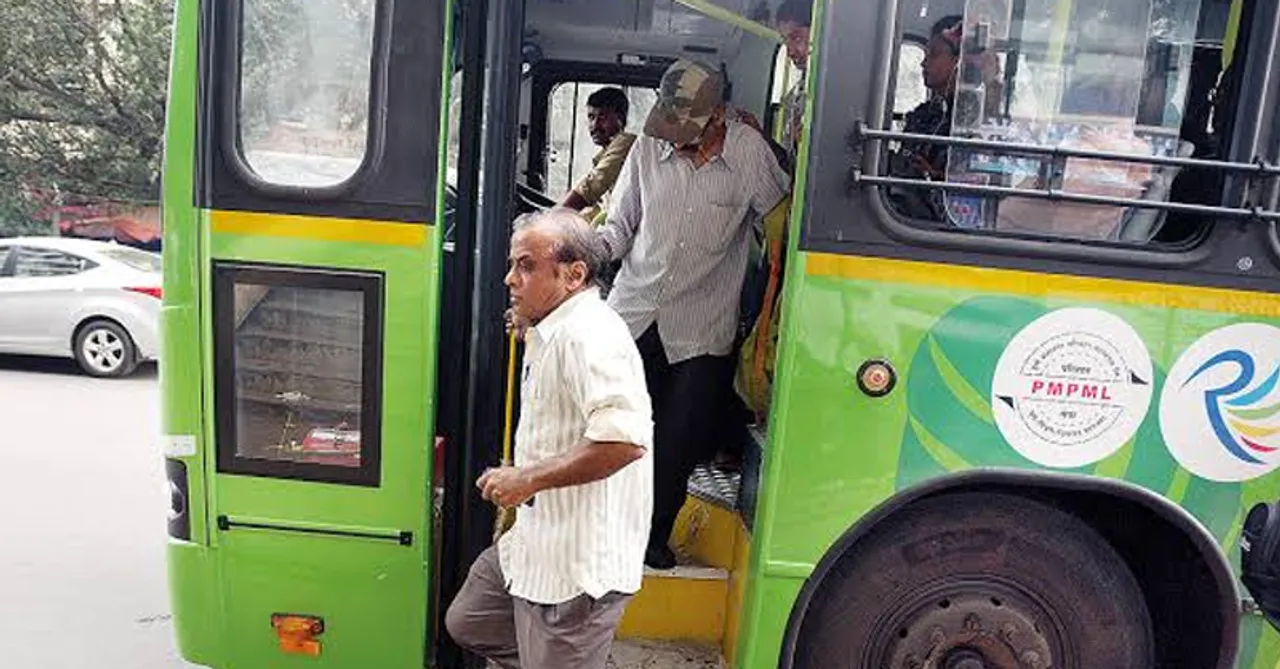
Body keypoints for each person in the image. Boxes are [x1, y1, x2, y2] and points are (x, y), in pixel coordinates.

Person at [599, 59, 789, 569]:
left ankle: (652, 538)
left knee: (677, 443)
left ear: (720, 116)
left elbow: (781, 230)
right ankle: (603, 533)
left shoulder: (749, 155)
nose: (675, 141)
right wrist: (585, 251)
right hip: (634, 313)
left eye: (688, 131)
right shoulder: (645, 147)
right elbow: (620, 227)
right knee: (615, 431)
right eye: (670, 128)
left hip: (703, 326)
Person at [445, 210, 654, 669]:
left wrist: (527, 480)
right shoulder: (556, 328)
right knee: (469, 619)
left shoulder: (590, 336)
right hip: (536, 546)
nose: (509, 279)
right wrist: (531, 321)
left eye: (525, 266)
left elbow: (624, 441)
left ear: (574, 274)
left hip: (574, 569)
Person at [560, 87, 638, 225]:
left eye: (602, 117)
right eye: (591, 117)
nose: (594, 125)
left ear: (621, 118)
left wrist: (553, 217)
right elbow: (601, 205)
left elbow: (593, 185)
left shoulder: (625, 143)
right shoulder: (606, 153)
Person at [775, 0, 812, 171]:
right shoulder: (795, 96)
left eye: (796, 37)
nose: (789, 51)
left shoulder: (837, 89)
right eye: (784, 40)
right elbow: (790, 162)